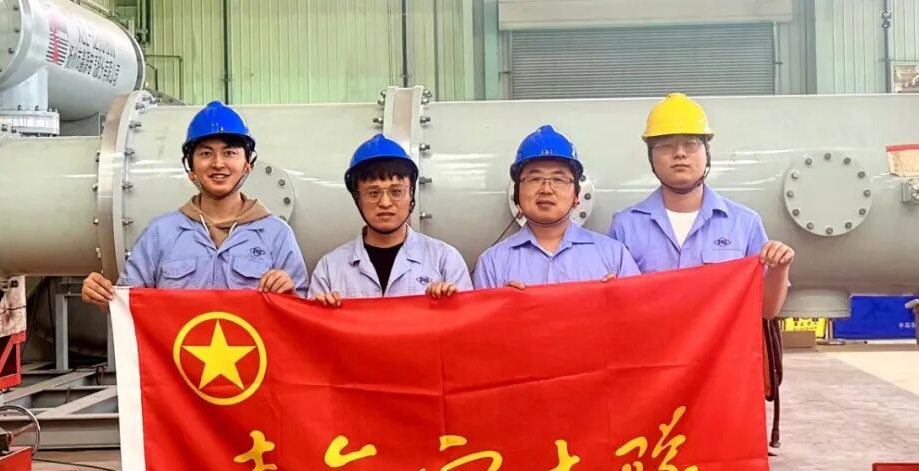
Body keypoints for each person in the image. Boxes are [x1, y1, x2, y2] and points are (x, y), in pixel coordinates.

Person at [80, 101, 308, 311]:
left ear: (248, 164)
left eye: (229, 153)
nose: (218, 163)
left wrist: (290, 294)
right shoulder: (161, 234)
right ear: (191, 168)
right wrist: (104, 296)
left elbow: (302, 316)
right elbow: (127, 307)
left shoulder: (276, 235)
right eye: (206, 153)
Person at [608, 93, 794, 318]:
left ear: (707, 153)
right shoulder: (626, 226)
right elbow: (616, 310)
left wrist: (779, 268)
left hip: (721, 343)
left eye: (691, 144)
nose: (679, 154)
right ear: (651, 157)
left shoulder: (744, 224)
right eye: (665, 146)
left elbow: (766, 311)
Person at [309, 134, 471, 307]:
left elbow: (470, 319)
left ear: (411, 194)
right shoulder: (329, 269)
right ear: (357, 198)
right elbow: (308, 323)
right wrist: (321, 313)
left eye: (396, 192)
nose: (385, 203)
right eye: (373, 193)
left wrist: (451, 307)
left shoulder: (445, 260)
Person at [473, 126, 639, 290]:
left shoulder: (614, 256)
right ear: (517, 194)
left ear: (576, 195)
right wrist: (503, 302)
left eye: (559, 180)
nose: (546, 189)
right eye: (534, 179)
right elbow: (484, 309)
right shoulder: (492, 263)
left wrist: (619, 299)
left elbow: (641, 306)